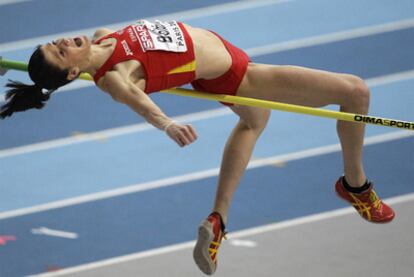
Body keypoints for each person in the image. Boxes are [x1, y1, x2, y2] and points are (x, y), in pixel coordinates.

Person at [0, 19, 395, 275]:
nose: (64, 40)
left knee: (253, 122)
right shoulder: (114, 77)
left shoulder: (104, 36)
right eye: (61, 51)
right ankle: (356, 186)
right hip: (239, 75)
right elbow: (140, 103)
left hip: (217, 67)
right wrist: (168, 124)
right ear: (73, 71)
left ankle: (218, 221)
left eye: (56, 42)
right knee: (355, 92)